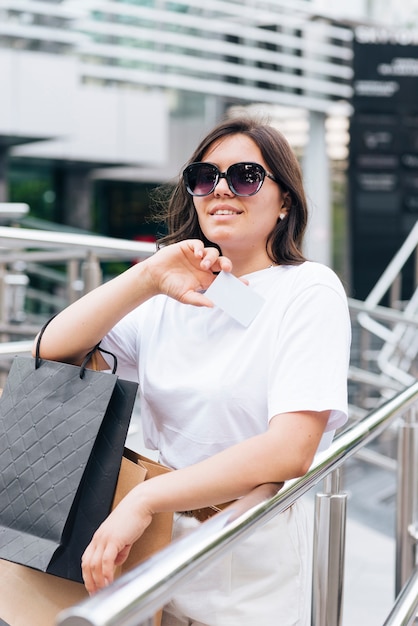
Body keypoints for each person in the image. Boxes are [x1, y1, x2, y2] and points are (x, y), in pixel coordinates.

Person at [35, 116, 351, 626]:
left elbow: (291, 448)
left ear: (285, 200)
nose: (221, 189)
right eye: (206, 177)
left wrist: (146, 499)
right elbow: (53, 349)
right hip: (145, 555)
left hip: (238, 559)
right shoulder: (171, 293)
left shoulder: (308, 289)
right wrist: (147, 276)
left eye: (245, 175)